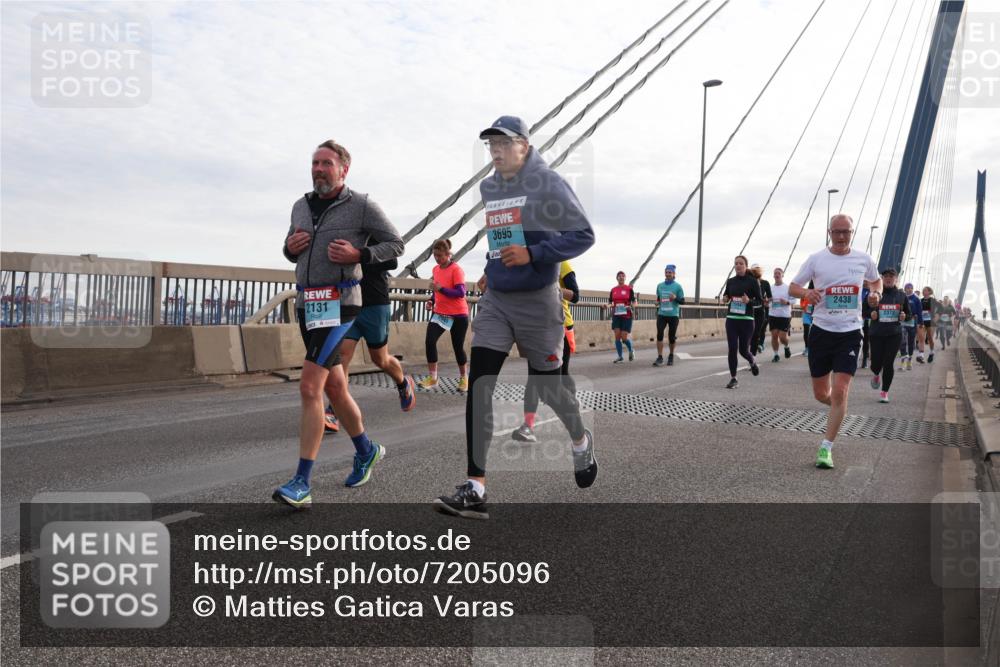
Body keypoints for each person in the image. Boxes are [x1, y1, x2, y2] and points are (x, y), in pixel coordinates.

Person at [434, 115, 596, 520]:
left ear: (524, 145)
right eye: (491, 145)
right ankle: (475, 487)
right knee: (481, 384)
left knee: (551, 390)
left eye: (504, 144)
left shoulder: (549, 184)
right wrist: (493, 268)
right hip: (498, 301)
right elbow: (502, 235)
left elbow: (583, 234)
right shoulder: (490, 187)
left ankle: (580, 440)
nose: (496, 151)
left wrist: (533, 254)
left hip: (539, 301)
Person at [274, 139, 404, 508]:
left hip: (340, 303)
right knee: (334, 386)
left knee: (309, 387)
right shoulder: (300, 206)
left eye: (326, 163)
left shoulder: (361, 205)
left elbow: (395, 245)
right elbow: (289, 249)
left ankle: (302, 482)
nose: (318, 169)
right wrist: (290, 249)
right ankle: (366, 450)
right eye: (315, 163)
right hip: (307, 303)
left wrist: (360, 254)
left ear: (343, 170)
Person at [789, 214, 881, 469]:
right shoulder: (816, 259)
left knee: (840, 390)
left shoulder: (864, 259)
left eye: (846, 232)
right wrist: (807, 292)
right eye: (837, 232)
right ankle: (839, 409)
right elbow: (792, 287)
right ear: (829, 232)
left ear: (852, 233)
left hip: (850, 332)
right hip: (821, 331)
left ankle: (826, 448)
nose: (841, 236)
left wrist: (875, 293)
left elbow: (875, 280)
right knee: (821, 394)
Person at [323, 238, 417, 432]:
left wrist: (358, 255)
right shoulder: (344, 234)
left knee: (380, 359)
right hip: (348, 303)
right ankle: (334, 410)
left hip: (375, 303)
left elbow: (392, 261)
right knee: (342, 356)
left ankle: (403, 382)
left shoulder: (374, 233)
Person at [513, 260, 580, 442]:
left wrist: (552, 291)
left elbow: (575, 295)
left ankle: (571, 406)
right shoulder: (531, 263)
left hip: (560, 326)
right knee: (533, 379)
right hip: (536, 326)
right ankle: (528, 426)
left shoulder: (563, 264)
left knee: (561, 376)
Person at [418, 239, 470, 392]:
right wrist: (431, 300)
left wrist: (441, 289)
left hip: (458, 314)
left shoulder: (456, 270)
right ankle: (433, 378)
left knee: (458, 347)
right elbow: (437, 290)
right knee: (430, 341)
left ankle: (464, 378)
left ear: (448, 254)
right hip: (440, 313)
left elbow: (460, 292)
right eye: (435, 255)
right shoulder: (435, 269)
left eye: (440, 255)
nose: (437, 258)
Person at [864, 268, 911, 403]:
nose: (888, 278)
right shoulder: (874, 294)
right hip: (876, 333)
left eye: (891, 276)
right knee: (875, 364)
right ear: (882, 279)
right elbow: (863, 310)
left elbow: (909, 314)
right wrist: (870, 314)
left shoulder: (901, 295)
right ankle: (876, 373)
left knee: (888, 363)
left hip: (894, 334)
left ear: (896, 279)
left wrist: (904, 316)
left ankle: (884, 392)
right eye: (886, 276)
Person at [722, 255, 762, 389]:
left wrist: (749, 301)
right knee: (732, 348)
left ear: (746, 266)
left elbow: (760, 302)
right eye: (736, 263)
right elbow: (727, 296)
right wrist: (725, 298)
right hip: (732, 319)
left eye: (741, 263)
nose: (738, 265)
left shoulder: (753, 282)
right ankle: (733, 378)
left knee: (743, 350)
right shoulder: (730, 281)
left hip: (747, 321)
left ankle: (752, 361)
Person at [654, 264, 685, 367]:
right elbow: (659, 298)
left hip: (673, 315)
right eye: (666, 272)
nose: (668, 274)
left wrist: (675, 298)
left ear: (674, 274)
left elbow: (683, 301)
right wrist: (657, 302)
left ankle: (671, 355)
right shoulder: (660, 285)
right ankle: (660, 357)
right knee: (659, 334)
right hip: (662, 314)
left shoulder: (678, 286)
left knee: (671, 337)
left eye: (670, 272)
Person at [609, 271, 637, 363]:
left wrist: (631, 306)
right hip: (616, 316)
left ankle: (631, 350)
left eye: (623, 276)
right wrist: (607, 306)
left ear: (625, 278)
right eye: (619, 276)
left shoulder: (629, 289)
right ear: (617, 278)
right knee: (617, 336)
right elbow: (610, 302)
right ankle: (620, 356)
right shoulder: (613, 290)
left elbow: (634, 302)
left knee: (624, 338)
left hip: (627, 316)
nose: (621, 277)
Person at [768, 267, 794, 362]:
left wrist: (786, 302)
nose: (777, 274)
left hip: (784, 315)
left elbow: (794, 300)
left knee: (782, 337)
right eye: (775, 273)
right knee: (774, 335)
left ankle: (786, 346)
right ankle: (776, 355)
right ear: (773, 276)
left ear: (782, 275)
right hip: (773, 314)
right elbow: (767, 301)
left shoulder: (787, 288)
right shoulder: (770, 288)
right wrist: (767, 302)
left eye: (779, 273)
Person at [898, 282, 923, 370]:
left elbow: (919, 311)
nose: (909, 289)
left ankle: (909, 360)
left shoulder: (916, 299)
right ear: (905, 289)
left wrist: (921, 323)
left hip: (912, 322)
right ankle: (903, 362)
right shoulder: (901, 297)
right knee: (902, 340)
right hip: (902, 322)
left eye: (911, 288)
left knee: (911, 342)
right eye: (908, 288)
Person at [750, 263, 772, 354]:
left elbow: (770, 297)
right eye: (754, 270)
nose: (756, 271)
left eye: (758, 269)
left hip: (762, 309)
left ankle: (760, 344)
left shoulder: (765, 283)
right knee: (751, 330)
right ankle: (753, 345)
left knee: (761, 328)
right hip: (750, 309)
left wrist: (766, 301)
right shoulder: (748, 282)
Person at [920, 286, 938, 363]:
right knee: (921, 337)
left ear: (929, 292)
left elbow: (940, 309)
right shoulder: (921, 300)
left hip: (930, 322)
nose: (923, 292)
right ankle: (921, 355)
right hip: (922, 321)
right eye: (923, 290)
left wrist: (936, 317)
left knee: (929, 338)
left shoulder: (933, 300)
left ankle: (931, 352)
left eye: (925, 290)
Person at [801, 284, 815, 356]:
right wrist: (803, 307)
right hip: (806, 314)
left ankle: (814, 348)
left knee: (815, 332)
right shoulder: (804, 293)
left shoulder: (819, 292)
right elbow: (801, 302)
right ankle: (807, 348)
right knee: (806, 331)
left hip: (815, 315)